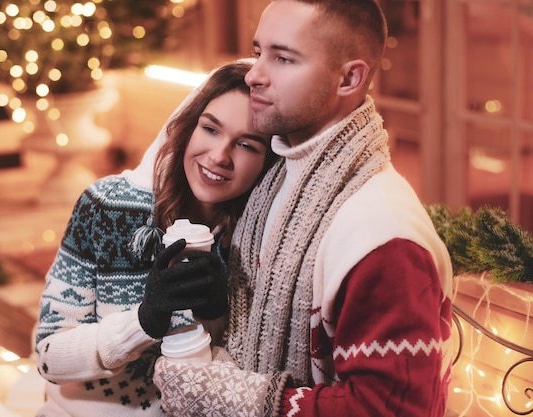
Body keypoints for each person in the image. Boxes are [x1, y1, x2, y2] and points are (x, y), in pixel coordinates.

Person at [152, 1, 454, 416]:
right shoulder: (278, 177)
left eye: (283, 58)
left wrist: (241, 399)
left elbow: (394, 409)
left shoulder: (382, 236)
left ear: (349, 78)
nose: (254, 74)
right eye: (259, 52)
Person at [33, 59, 274, 417]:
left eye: (247, 145)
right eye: (210, 129)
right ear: (187, 127)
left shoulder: (255, 239)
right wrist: (143, 321)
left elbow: (243, 376)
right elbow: (49, 357)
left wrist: (217, 315)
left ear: (267, 163)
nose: (220, 155)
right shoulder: (107, 207)